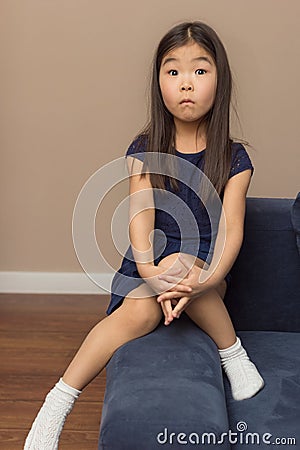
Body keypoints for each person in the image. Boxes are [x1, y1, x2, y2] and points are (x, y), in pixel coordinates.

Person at [24, 21, 264, 449]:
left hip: (207, 271)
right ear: (158, 84)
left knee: (183, 266)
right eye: (173, 72)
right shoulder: (145, 147)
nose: (186, 84)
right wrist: (151, 272)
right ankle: (57, 403)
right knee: (139, 312)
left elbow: (231, 233)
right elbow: (140, 216)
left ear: (219, 80)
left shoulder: (235, 158)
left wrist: (202, 281)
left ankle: (234, 355)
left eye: (199, 71)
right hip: (147, 264)